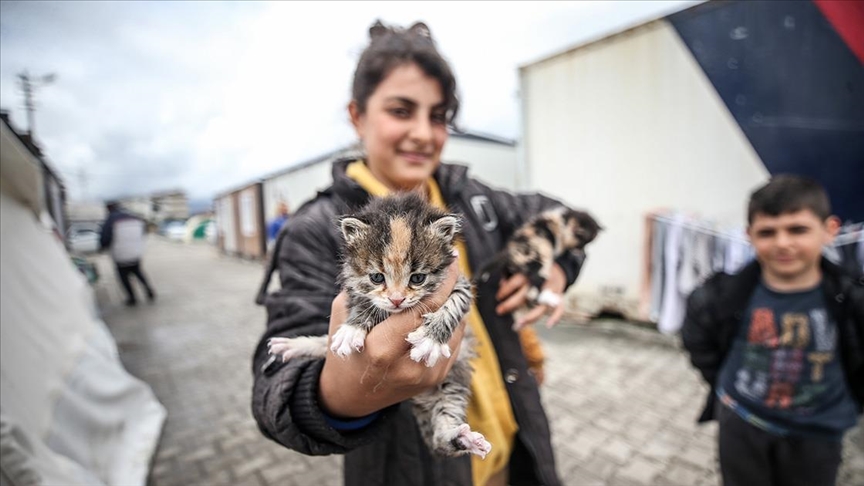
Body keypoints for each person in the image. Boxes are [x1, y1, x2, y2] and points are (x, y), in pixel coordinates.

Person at [251, 20, 593, 486]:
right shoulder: (318, 230)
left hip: (513, 452)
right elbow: (275, 390)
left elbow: (565, 217)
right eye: (401, 110)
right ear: (357, 116)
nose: (423, 133)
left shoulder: (473, 200)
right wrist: (348, 392)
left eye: (438, 116)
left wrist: (554, 269)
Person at [682, 175, 863, 486]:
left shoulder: (852, 298)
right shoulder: (721, 296)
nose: (782, 243)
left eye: (798, 229)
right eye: (768, 232)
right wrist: (724, 387)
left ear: (830, 230)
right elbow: (700, 343)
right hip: (743, 424)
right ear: (749, 235)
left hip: (817, 433)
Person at [99, 201, 156, 306]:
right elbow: (143, 232)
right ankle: (149, 291)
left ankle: (132, 298)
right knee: (138, 272)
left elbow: (105, 239)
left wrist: (102, 248)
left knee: (124, 277)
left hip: (120, 255)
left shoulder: (110, 220)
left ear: (108, 208)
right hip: (135, 252)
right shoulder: (133, 217)